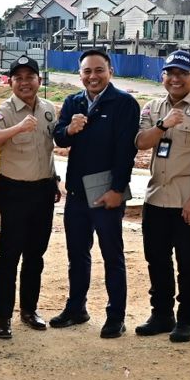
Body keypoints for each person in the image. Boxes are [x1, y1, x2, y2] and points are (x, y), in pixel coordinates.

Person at [132, 51, 190, 343]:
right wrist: (164, 125)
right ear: (163, 77)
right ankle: (161, 315)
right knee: (156, 260)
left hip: (189, 201)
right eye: (170, 73)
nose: (175, 79)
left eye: (182, 73)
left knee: (189, 263)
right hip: (156, 197)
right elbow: (141, 142)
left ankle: (187, 319)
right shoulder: (152, 107)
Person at [51, 49, 140, 338]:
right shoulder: (73, 102)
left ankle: (116, 316)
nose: (93, 76)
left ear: (110, 72)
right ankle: (76, 308)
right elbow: (59, 138)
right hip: (77, 190)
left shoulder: (124, 103)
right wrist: (70, 129)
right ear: (80, 75)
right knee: (77, 254)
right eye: (87, 71)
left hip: (106, 189)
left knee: (112, 255)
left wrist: (117, 190)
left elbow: (127, 151)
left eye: (99, 70)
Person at [0, 55, 60, 339]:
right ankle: (3, 318)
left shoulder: (49, 109)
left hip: (43, 190)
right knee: (9, 255)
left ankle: (29, 310)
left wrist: (55, 179)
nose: (25, 83)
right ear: (11, 82)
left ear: (39, 80)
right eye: (19, 78)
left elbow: (48, 149)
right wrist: (17, 128)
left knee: (36, 254)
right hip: (14, 191)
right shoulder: (4, 111)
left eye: (30, 77)